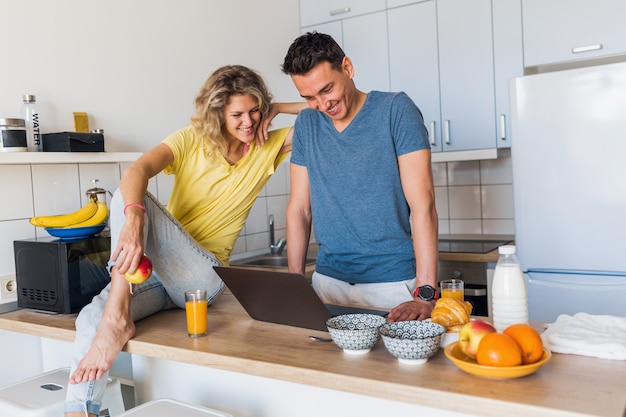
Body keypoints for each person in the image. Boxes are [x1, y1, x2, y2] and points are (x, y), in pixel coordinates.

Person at [65, 65, 305, 417]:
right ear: (217, 113)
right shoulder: (192, 139)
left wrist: (280, 108)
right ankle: (79, 409)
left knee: (132, 199)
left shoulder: (268, 144)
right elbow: (138, 169)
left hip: (204, 278)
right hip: (161, 277)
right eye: (237, 114)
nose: (249, 121)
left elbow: (330, 110)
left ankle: (117, 317)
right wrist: (133, 220)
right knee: (90, 319)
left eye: (255, 110)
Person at [281, 32, 439, 323]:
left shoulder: (395, 110)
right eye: (309, 97)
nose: (322, 105)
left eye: (327, 90)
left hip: (391, 288)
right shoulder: (306, 124)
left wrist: (425, 293)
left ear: (348, 68)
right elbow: (300, 209)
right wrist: (294, 284)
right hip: (327, 284)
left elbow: (423, 206)